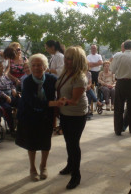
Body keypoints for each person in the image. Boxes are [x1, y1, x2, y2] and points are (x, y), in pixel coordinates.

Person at [15, 53, 65, 182]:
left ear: (45, 66)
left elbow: (62, 85)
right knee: (31, 143)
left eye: (40, 65)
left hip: (46, 116)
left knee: (45, 142)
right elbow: (33, 102)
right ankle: (32, 168)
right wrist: (54, 103)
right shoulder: (27, 81)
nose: (37, 68)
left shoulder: (51, 79)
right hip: (28, 115)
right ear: (30, 67)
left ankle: (43, 166)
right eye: (34, 65)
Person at [56, 46, 88, 189]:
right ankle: (70, 166)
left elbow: (74, 100)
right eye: (66, 57)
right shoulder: (65, 72)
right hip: (65, 112)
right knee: (68, 141)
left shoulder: (80, 77)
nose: (66, 60)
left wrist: (56, 103)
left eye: (70, 58)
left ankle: (76, 175)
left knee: (73, 144)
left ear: (77, 61)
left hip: (76, 114)